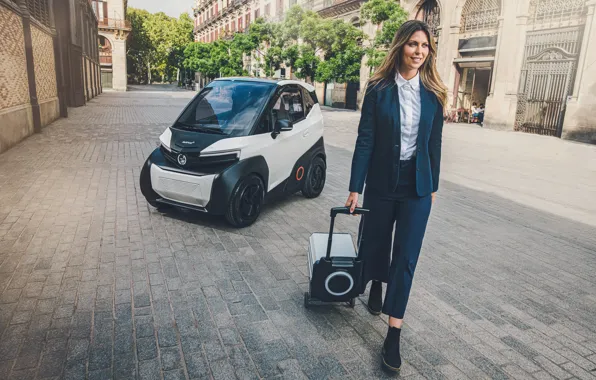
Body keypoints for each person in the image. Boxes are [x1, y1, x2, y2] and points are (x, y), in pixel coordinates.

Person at [345, 20, 447, 373]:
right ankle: (374, 280)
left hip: (417, 187)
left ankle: (393, 334)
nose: (419, 52)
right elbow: (366, 139)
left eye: (425, 46)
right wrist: (355, 187)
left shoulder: (434, 94)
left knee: (405, 257)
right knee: (374, 241)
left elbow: (434, 143)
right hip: (382, 182)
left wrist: (432, 188)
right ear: (400, 46)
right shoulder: (378, 89)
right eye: (413, 44)